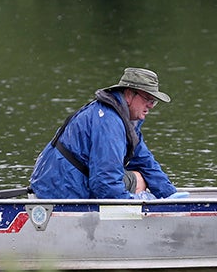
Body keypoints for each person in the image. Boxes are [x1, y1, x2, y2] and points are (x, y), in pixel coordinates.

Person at [29, 67, 179, 200]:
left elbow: (144, 160)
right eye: (147, 99)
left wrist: (170, 195)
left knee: (141, 175)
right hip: (60, 190)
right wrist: (130, 203)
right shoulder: (109, 122)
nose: (151, 106)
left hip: (57, 183)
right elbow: (105, 183)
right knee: (138, 180)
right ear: (128, 95)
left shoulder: (123, 118)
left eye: (154, 101)